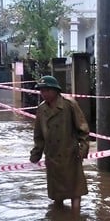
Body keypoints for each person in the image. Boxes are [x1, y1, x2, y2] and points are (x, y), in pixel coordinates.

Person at [29, 75, 90, 212]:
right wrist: (36, 154)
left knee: (75, 191)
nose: (43, 94)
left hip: (70, 155)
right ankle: (59, 220)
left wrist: (83, 149)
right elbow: (38, 136)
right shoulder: (41, 109)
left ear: (55, 91)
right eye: (41, 91)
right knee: (56, 194)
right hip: (52, 157)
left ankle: (75, 219)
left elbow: (83, 129)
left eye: (46, 90)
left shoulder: (69, 105)